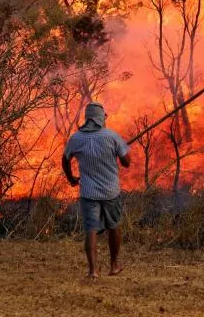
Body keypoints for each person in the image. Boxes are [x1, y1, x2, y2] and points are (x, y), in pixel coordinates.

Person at [62, 102, 130, 279]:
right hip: (110, 192)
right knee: (113, 226)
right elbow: (127, 162)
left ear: (87, 119)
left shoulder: (76, 138)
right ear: (101, 118)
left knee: (91, 229)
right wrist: (120, 150)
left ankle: (93, 271)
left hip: (88, 193)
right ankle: (114, 265)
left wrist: (70, 178)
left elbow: (65, 159)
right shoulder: (111, 136)